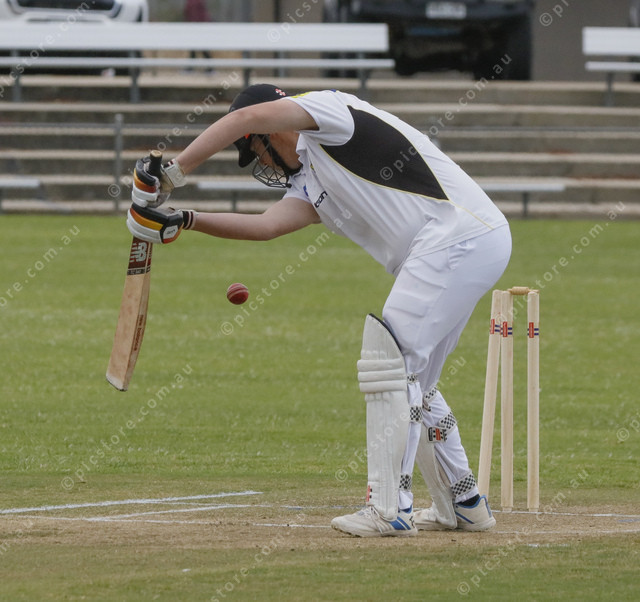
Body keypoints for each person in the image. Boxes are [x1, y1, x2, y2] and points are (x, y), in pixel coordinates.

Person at [127, 84, 512, 538]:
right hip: (465, 243)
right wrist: (182, 220)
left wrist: (171, 173)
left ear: (269, 129)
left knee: (390, 365)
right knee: (415, 382)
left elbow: (243, 117)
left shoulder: (330, 114)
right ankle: (463, 504)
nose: (263, 164)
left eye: (256, 152)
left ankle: (389, 508)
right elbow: (267, 226)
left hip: (455, 238)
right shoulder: (309, 180)